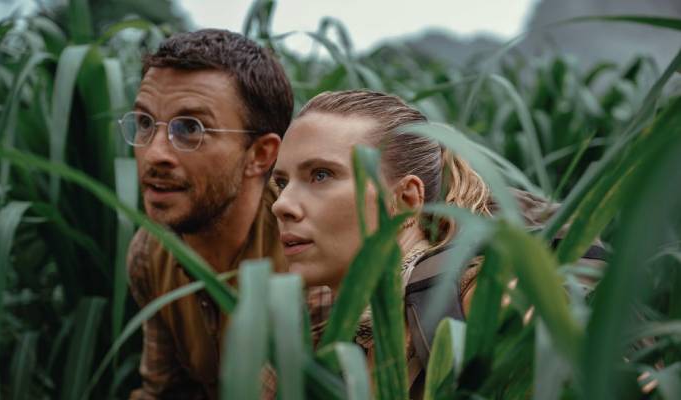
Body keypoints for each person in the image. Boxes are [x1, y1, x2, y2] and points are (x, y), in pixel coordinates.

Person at [271, 90, 605, 397]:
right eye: (282, 182)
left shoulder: (487, 304)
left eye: (321, 175)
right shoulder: (323, 336)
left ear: (406, 200)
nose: (281, 204)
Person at [123, 29, 294, 399]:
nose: (154, 154)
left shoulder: (306, 257)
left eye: (190, 128)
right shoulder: (150, 253)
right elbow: (164, 391)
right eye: (145, 123)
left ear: (260, 154)